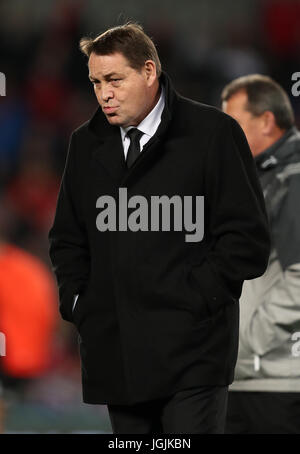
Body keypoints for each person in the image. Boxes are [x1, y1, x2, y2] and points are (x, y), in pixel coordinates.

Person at [48, 23, 270, 434]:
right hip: (117, 355)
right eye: (96, 82)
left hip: (194, 357)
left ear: (149, 71)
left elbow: (248, 240)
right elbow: (67, 239)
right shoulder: (85, 144)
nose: (104, 94)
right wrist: (81, 304)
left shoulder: (213, 135)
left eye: (114, 79)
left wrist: (195, 297)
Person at [222, 74, 300, 434]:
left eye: (234, 122)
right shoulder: (259, 178)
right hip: (253, 378)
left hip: (275, 380)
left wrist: (246, 343)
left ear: (267, 122)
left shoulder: (292, 179)